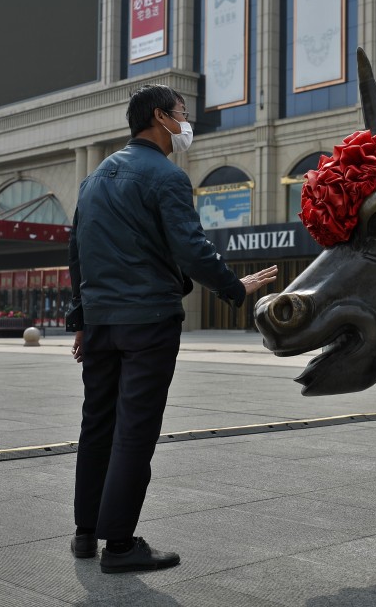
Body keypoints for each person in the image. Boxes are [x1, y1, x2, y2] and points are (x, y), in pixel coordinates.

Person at [66, 85, 278, 574]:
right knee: (134, 432)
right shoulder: (165, 176)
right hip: (148, 323)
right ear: (160, 117)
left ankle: (84, 532)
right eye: (184, 114)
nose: (188, 124)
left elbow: (77, 253)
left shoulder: (95, 177)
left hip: (101, 325)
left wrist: (82, 318)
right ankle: (118, 545)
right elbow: (191, 248)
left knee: (97, 426)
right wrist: (233, 287)